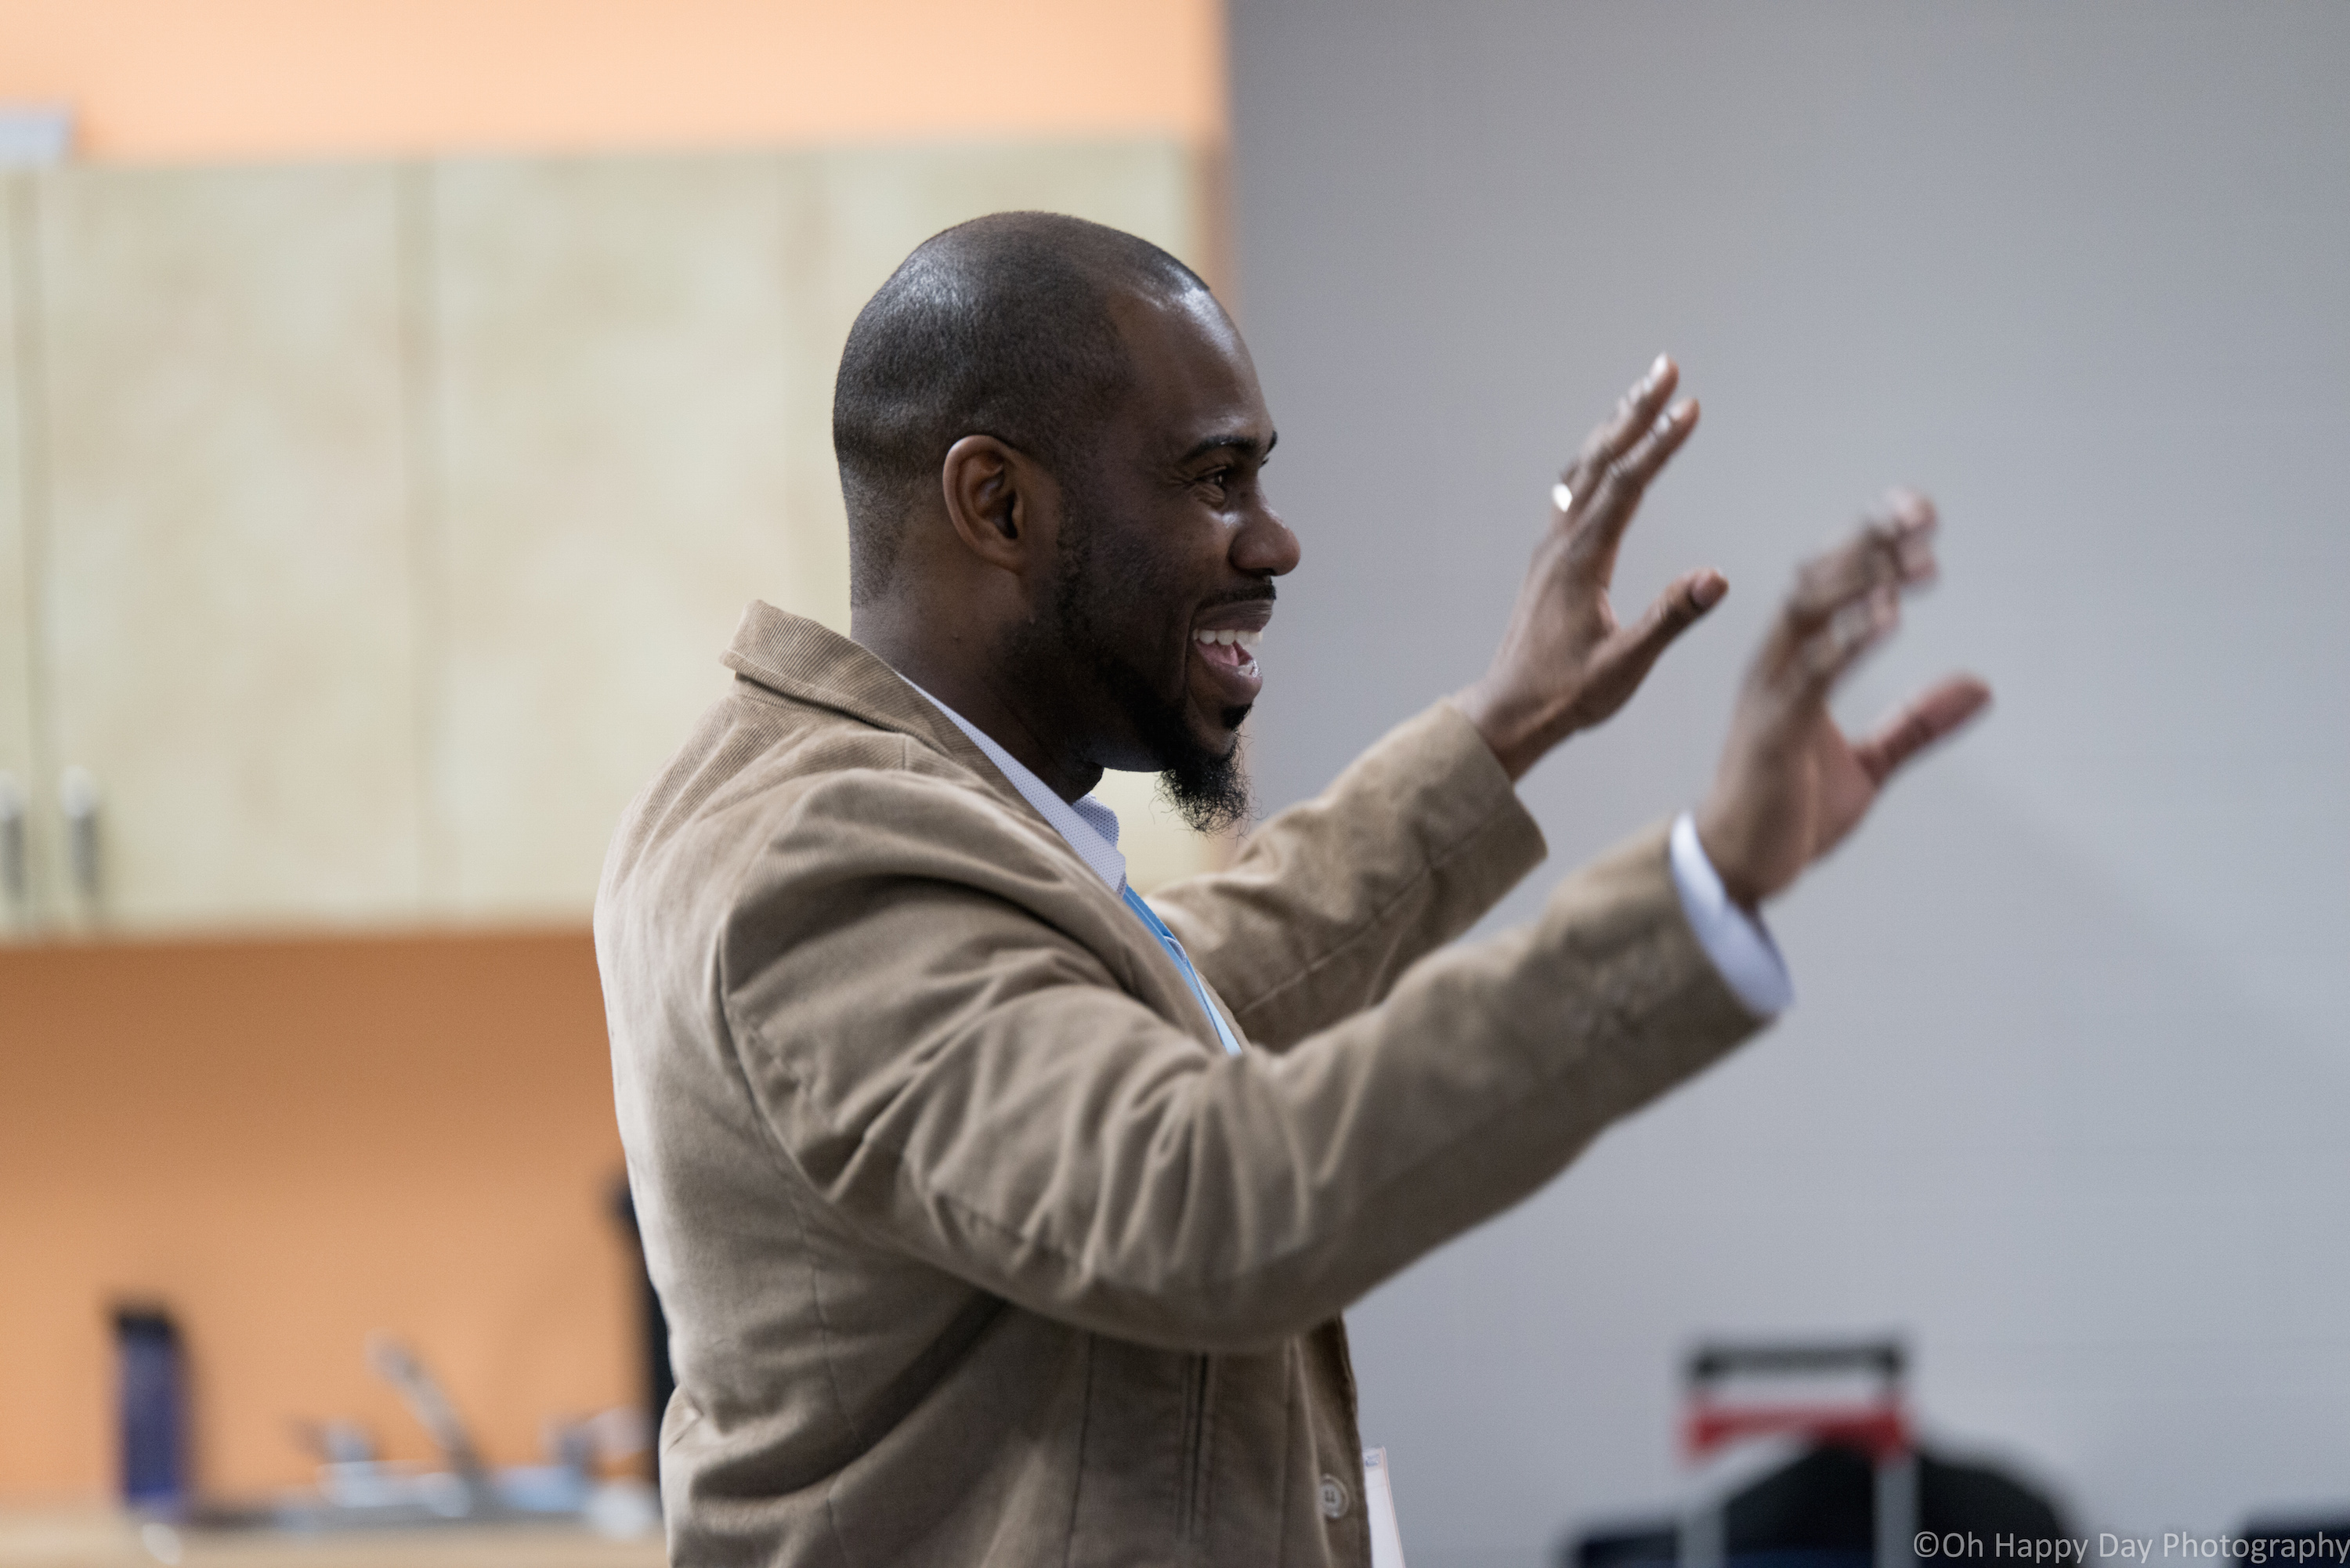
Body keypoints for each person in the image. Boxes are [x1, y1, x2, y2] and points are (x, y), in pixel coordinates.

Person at [594, 211, 1989, 1567]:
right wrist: (1697, 886)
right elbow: (1196, 1187)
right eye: (1215, 481)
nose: (1275, 543)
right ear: (999, 503)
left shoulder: (907, 817)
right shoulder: (817, 857)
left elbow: (1198, 978)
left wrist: (1504, 724)